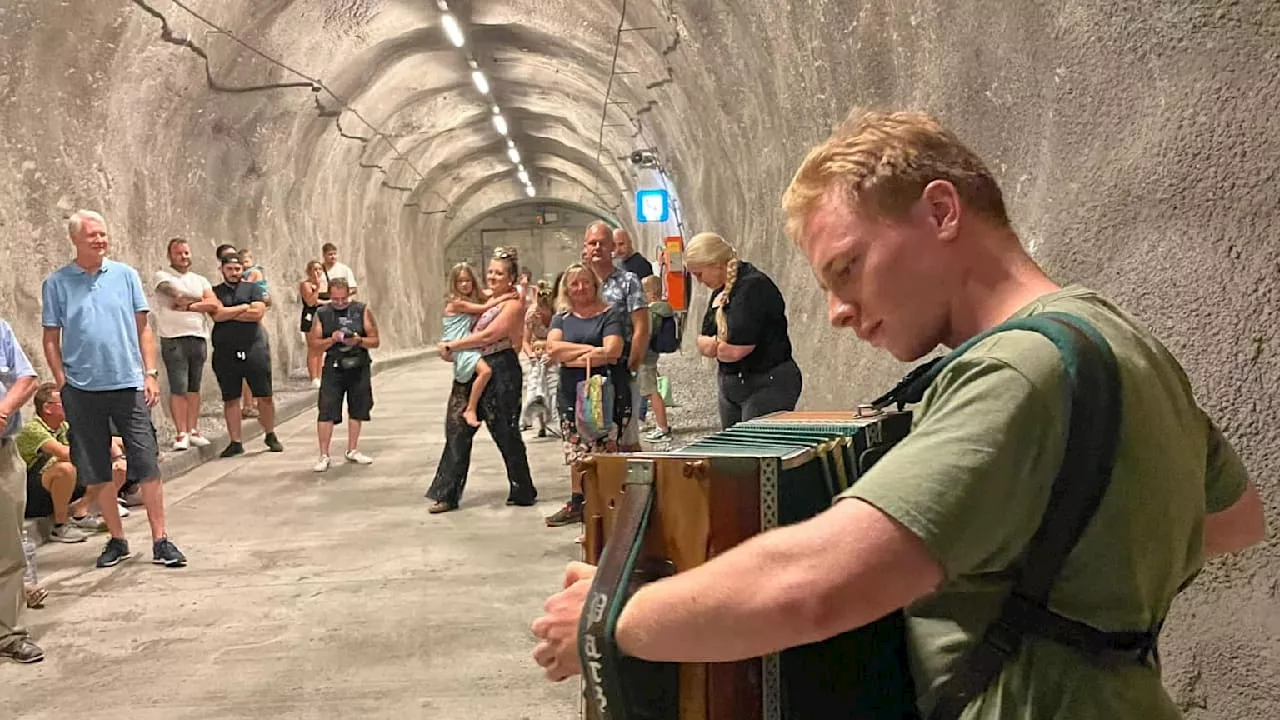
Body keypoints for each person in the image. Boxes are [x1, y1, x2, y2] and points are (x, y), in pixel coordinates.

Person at [529, 109, 1267, 719]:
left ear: (941, 211)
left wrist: (611, 615)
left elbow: (814, 586)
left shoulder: (1016, 374)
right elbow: (1236, 518)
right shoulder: (1115, 338)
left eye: (847, 268)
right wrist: (1063, 550)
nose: (840, 312)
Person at [41, 210, 186, 569]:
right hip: (82, 390)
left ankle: (161, 539)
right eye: (92, 234)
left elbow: (143, 329)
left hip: (127, 384)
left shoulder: (125, 276)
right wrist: (61, 380)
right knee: (98, 468)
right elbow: (50, 337)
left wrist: (150, 373)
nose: (100, 240)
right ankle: (117, 540)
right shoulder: (57, 283)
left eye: (103, 234)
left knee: (146, 462)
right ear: (75, 239)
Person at [426, 248, 538, 513]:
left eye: (499, 273)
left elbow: (490, 335)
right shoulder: (484, 298)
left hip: (501, 368)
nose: (492, 277)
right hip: (473, 367)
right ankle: (447, 493)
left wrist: (452, 345)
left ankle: (522, 488)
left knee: (505, 432)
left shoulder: (513, 304)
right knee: (456, 427)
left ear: (510, 278)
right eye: (490, 271)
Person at [542, 264, 630, 530]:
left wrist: (570, 355)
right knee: (576, 449)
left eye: (585, 282)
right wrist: (590, 350)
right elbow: (552, 347)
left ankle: (606, 502)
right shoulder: (562, 317)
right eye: (574, 284)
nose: (580, 288)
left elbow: (613, 350)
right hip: (570, 393)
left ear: (594, 284)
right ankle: (578, 501)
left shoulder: (610, 314)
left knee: (603, 446)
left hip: (602, 391)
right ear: (566, 289)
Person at [686, 231, 802, 428]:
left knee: (754, 451)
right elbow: (702, 340)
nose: (698, 280)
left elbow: (733, 350)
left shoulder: (753, 288)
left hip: (765, 383)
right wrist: (717, 345)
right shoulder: (721, 290)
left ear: (715, 264)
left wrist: (714, 346)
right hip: (733, 385)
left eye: (699, 274)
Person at [209, 253, 283, 457]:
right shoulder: (214, 291)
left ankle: (270, 433)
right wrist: (242, 308)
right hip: (225, 351)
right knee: (231, 398)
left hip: (254, 348)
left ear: (242, 269)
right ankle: (235, 441)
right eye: (230, 269)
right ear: (222, 269)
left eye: (237, 269)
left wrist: (229, 312)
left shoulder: (254, 288)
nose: (234, 273)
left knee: (264, 395)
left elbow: (257, 313)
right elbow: (216, 315)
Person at [17, 383, 111, 544]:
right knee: (65, 469)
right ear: (48, 408)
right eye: (64, 402)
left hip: (55, 487)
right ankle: (60, 526)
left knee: (104, 467)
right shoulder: (33, 428)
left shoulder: (63, 426)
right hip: (30, 493)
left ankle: (80, 512)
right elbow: (64, 453)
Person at [0, 317, 42, 662]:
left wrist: (4, 408)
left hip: (3, 455)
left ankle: (9, 634)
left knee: (8, 549)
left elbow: (26, 377)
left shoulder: (0, 328)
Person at [585, 223, 648, 448]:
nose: (597, 247)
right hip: (587, 369)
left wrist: (633, 363)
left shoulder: (628, 281)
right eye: (593, 243)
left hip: (620, 365)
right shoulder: (580, 283)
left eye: (603, 243)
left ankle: (634, 481)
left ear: (612, 246)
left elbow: (641, 325)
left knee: (626, 434)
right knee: (592, 436)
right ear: (585, 247)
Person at [153, 237, 218, 451]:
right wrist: (200, 301)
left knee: (194, 387)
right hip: (173, 338)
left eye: (186, 253)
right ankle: (181, 432)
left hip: (198, 336)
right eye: (179, 253)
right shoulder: (162, 276)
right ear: (170, 255)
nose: (183, 256)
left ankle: (193, 429)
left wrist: (190, 306)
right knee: (178, 386)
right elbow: (177, 296)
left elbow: (214, 304)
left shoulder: (200, 279)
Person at [309, 278, 378, 472]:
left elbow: (375, 340)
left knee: (358, 408)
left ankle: (353, 449)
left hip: (358, 365)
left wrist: (357, 340)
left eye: (343, 298)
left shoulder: (361, 309)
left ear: (349, 294)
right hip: (333, 366)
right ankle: (324, 454)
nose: (339, 302)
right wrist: (331, 340)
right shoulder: (322, 313)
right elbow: (314, 345)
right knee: (326, 409)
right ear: (329, 296)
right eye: (335, 299)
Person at [440, 262, 515, 429]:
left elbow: (486, 294)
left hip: (465, 347)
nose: (465, 284)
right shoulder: (457, 302)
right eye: (460, 281)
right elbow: (485, 306)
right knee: (486, 371)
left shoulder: (469, 299)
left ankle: (471, 408)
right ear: (454, 284)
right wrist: (505, 297)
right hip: (460, 346)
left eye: (468, 281)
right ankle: (471, 409)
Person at [639, 275, 673, 441]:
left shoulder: (651, 312)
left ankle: (662, 427)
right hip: (653, 353)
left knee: (651, 392)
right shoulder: (665, 309)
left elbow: (646, 334)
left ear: (651, 294)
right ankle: (661, 425)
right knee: (650, 389)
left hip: (645, 356)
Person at [520, 281, 557, 437]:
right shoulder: (532, 314)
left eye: (546, 311)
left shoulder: (558, 314)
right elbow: (525, 341)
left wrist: (553, 354)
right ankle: (539, 422)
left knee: (553, 383)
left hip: (554, 349)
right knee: (534, 382)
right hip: (536, 350)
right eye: (541, 310)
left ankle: (555, 418)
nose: (543, 314)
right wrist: (531, 356)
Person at [298, 260, 329, 388]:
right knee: (313, 347)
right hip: (312, 316)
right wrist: (316, 286)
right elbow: (311, 302)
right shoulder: (305, 284)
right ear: (309, 271)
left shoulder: (325, 284)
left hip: (324, 316)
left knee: (321, 347)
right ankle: (313, 377)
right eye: (314, 269)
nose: (317, 272)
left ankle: (320, 376)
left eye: (319, 269)